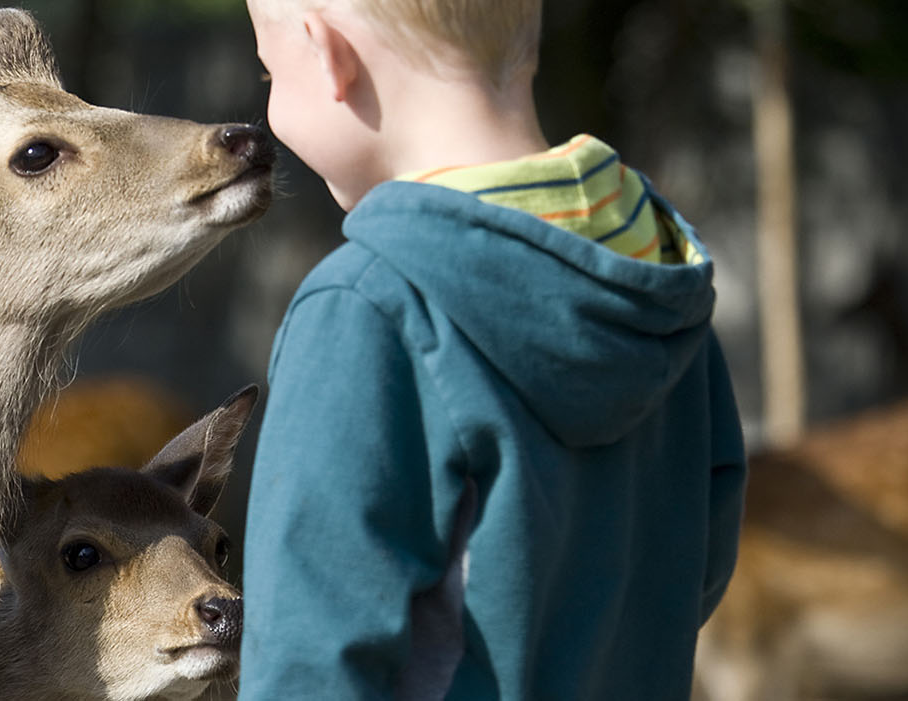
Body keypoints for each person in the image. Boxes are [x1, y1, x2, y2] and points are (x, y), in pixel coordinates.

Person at [238, 1, 747, 699]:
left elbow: (309, 659)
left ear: (328, 54)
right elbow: (698, 569)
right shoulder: (657, 276)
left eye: (268, 73)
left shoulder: (366, 307)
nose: (268, 99)